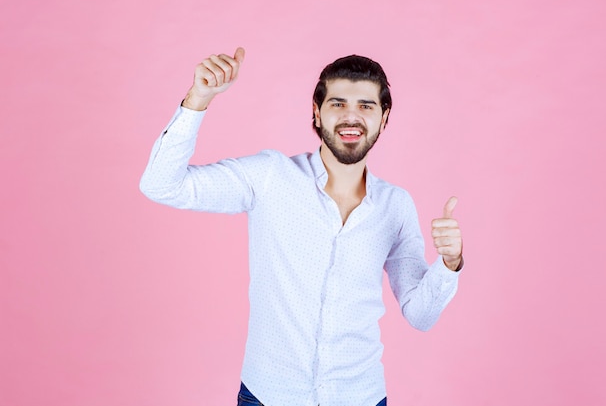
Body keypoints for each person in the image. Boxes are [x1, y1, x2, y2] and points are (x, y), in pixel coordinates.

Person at [139, 47, 463, 406]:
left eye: (366, 106)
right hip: (267, 395)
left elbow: (420, 315)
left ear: (384, 117)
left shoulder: (396, 206)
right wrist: (198, 98)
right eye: (337, 104)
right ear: (316, 112)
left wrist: (449, 264)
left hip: (361, 396)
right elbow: (161, 184)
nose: (350, 117)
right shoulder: (269, 177)